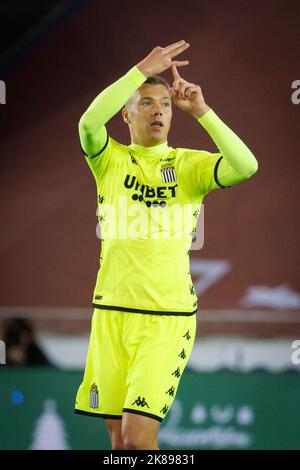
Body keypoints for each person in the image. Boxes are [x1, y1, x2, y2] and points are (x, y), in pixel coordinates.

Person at [74, 40, 258, 450]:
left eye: (165, 104)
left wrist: (202, 112)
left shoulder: (189, 165)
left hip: (165, 316)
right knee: (120, 443)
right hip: (111, 312)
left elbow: (246, 166)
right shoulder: (109, 160)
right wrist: (139, 70)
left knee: (139, 440)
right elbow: (88, 123)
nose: (158, 110)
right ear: (126, 114)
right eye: (146, 103)